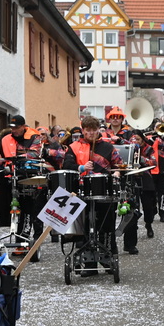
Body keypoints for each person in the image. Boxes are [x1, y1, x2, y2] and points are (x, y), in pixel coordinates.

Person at [62, 115, 123, 275]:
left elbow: (119, 164)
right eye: (88, 130)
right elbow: (66, 165)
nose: (91, 133)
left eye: (94, 130)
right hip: (81, 191)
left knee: (106, 226)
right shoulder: (73, 147)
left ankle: (108, 259)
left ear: (98, 130)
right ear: (83, 131)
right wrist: (81, 167)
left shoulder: (108, 147)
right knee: (85, 227)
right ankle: (89, 263)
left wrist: (117, 172)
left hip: (104, 190)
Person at [0, 115, 51, 240]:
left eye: (17, 128)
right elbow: (2, 157)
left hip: (32, 176)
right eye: (12, 128)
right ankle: (20, 239)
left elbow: (35, 153)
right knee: (18, 209)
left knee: (34, 209)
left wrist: (16, 157)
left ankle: (36, 239)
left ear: (23, 127)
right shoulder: (5, 139)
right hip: (13, 176)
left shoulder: (34, 137)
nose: (14, 130)